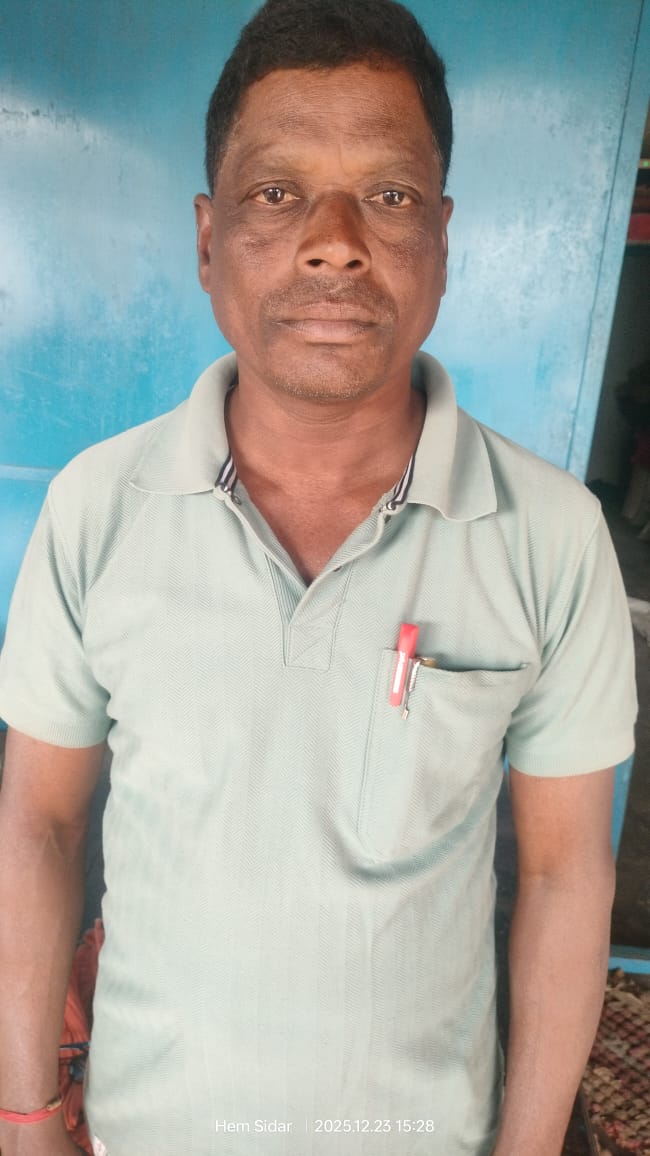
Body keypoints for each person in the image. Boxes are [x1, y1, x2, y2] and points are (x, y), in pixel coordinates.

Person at [0, 0, 638, 1153]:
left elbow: (560, 874)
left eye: (386, 196)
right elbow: (39, 824)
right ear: (207, 242)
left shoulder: (549, 533)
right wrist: (28, 1115)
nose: (333, 241)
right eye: (275, 192)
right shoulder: (97, 507)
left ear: (441, 238)